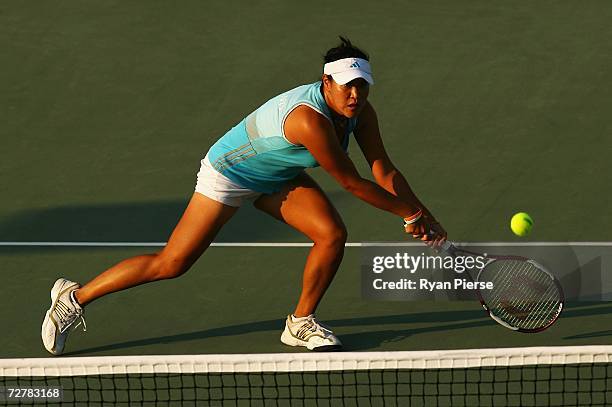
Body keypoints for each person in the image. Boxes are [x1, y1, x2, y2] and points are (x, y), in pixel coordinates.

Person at [41, 37, 447, 355]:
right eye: (347, 86)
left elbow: (384, 169)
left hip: (279, 173)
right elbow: (353, 183)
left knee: (330, 235)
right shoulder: (309, 120)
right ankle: (74, 298)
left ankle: (300, 322)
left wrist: (422, 213)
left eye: (362, 86)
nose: (355, 95)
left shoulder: (360, 112)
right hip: (230, 173)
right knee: (173, 263)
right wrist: (410, 214)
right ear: (326, 82)